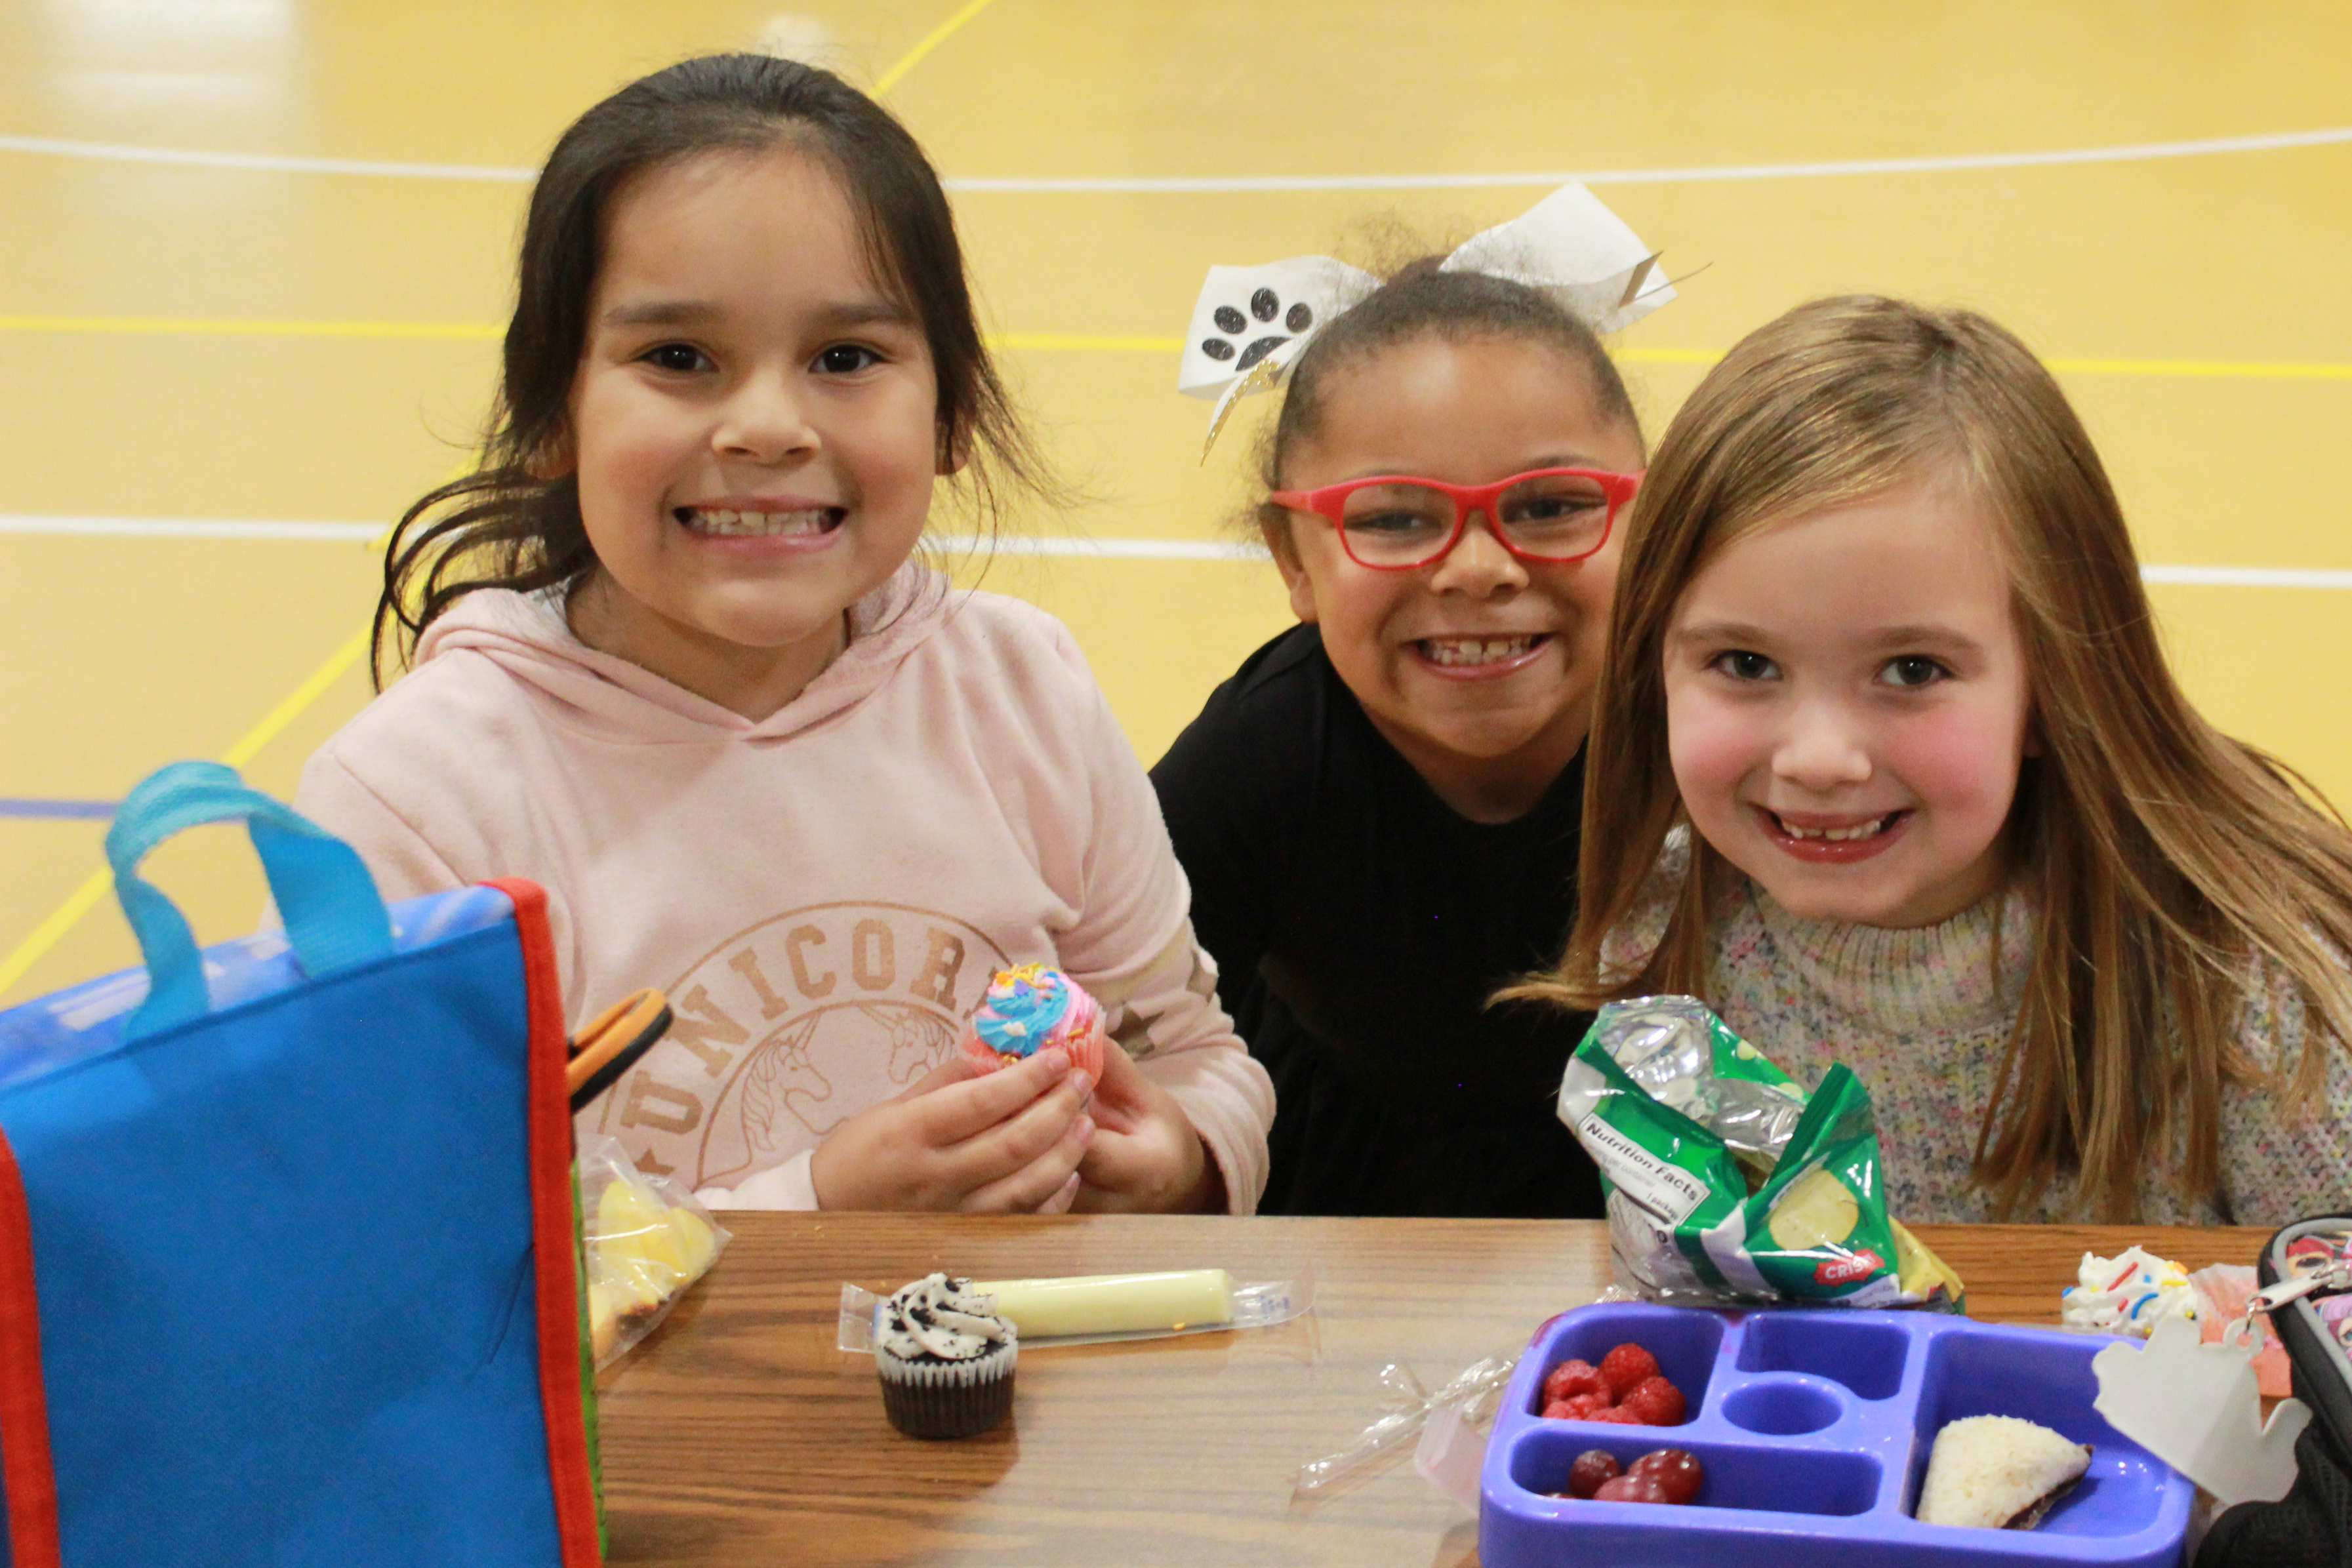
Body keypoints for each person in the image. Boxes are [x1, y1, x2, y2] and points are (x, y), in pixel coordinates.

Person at [294, 54, 1271, 1217]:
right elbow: (385, 1255)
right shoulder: (416, 798)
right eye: (677, 360)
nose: (765, 425)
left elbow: (1192, 1055)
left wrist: (1172, 1153)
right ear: (554, 413)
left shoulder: (1022, 688)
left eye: (844, 359)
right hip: (665, 1409)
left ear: (951, 411)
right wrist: (809, 1208)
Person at [1519, 293, 2352, 1224]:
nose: (1819, 758)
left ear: (2056, 683)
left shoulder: (2253, 1004)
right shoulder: (1662, 920)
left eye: (1912, 669)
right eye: (1744, 663)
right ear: (1655, 664)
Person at [1152, 190, 1668, 1216]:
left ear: (1647, 518)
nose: (1477, 568)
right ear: (1290, 561)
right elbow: (1118, 1010)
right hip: (1339, 1180)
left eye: (1552, 506)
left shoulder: (1705, 726)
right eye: (1390, 518)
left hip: (1655, 1175)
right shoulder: (1257, 758)